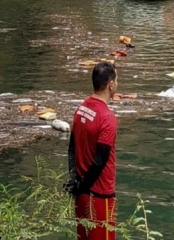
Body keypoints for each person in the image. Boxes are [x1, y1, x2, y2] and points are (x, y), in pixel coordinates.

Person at [68, 61, 119, 240]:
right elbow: (100, 160)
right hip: (100, 196)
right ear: (111, 84)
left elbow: (71, 148)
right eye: (117, 79)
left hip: (81, 193)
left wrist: (75, 181)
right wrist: (83, 185)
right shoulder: (107, 118)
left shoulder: (81, 109)